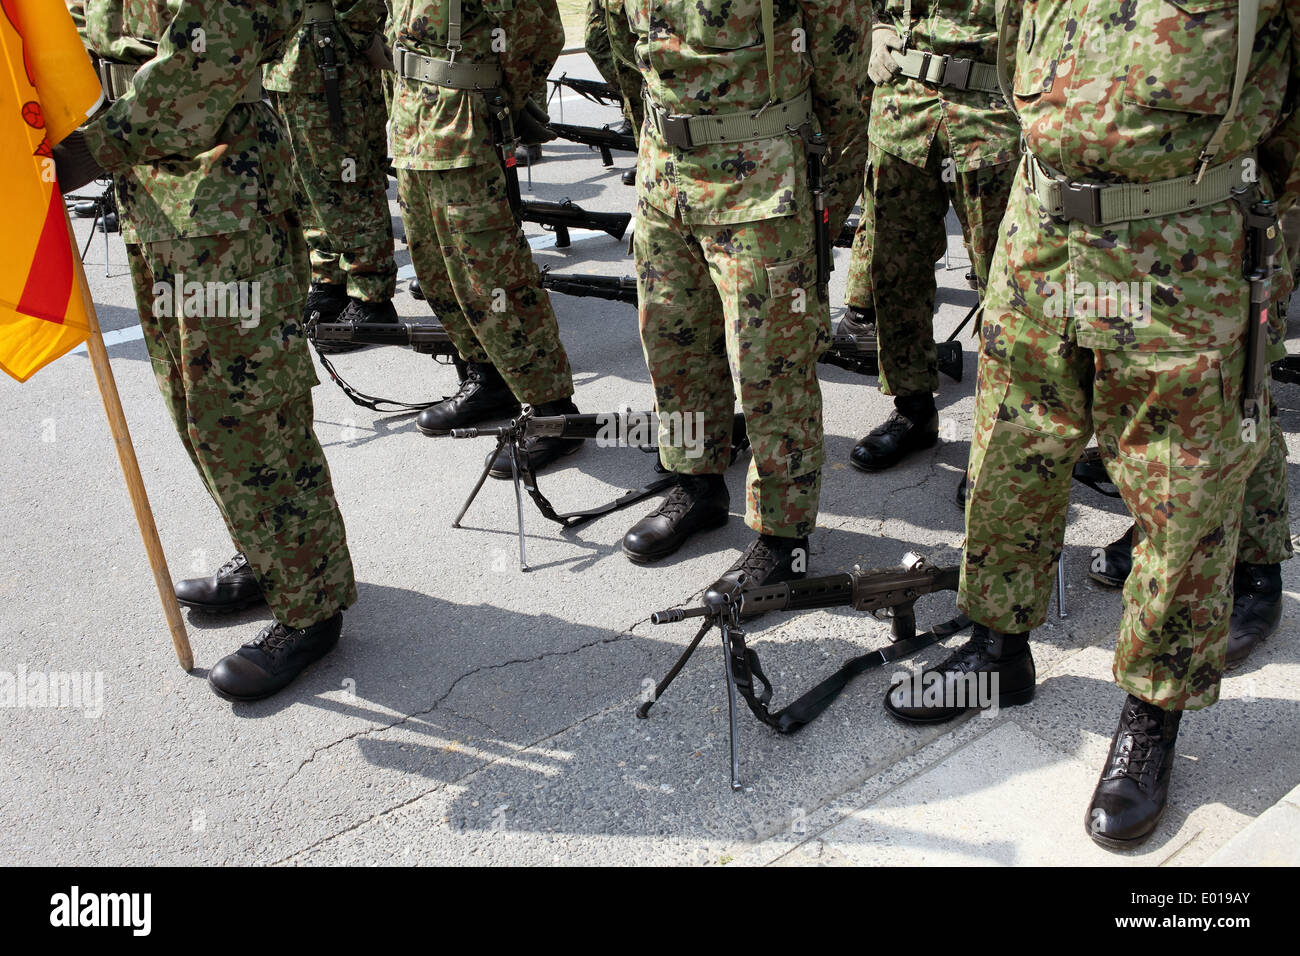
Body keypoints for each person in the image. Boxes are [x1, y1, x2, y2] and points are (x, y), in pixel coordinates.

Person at [884, 0, 1300, 850]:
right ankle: (998, 650)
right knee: (1013, 444)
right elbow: (1011, 61)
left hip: (1179, 250)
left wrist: (1231, 217)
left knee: (1181, 490)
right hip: (1040, 238)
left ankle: (1152, 716)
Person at [56, 0, 358, 701]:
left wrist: (88, 149)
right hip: (152, 198)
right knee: (196, 408)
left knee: (248, 413)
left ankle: (310, 606)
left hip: (224, 204)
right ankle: (267, 556)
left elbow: (210, 50)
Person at [609, 0, 868, 595]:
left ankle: (783, 538)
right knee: (674, 344)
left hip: (762, 185)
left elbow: (845, 72)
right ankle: (696, 484)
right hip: (664, 176)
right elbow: (621, 46)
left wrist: (826, 193)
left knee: (770, 369)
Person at [390, 0, 584, 475]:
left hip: (464, 130)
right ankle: (487, 378)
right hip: (412, 129)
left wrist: (496, 100)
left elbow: (539, 33)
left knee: (494, 283)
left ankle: (552, 412)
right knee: (436, 273)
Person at [843, 1, 1019, 474]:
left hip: (995, 116)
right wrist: (877, 25)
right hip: (903, 110)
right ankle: (913, 411)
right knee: (894, 270)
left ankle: (1005, 442)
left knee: (1007, 289)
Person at [264, 0, 399, 353]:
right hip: (288, 62)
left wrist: (355, 34)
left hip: (332, 62)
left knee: (349, 185)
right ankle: (330, 282)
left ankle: (372, 300)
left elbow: (364, 7)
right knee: (307, 188)